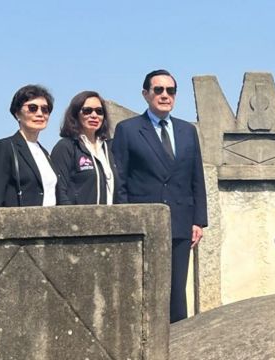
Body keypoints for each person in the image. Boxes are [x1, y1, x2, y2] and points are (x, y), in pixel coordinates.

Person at [112, 69, 207, 323]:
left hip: (180, 222)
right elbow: (120, 179)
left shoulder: (187, 131)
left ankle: (179, 343)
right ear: (146, 94)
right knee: (148, 288)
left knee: (177, 291)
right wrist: (126, 220)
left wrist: (198, 220)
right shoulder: (128, 130)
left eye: (171, 90)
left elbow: (196, 176)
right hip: (145, 222)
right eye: (159, 90)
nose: (165, 95)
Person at [0, 85, 58, 207]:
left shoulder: (44, 153)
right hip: (18, 224)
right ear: (17, 113)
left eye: (45, 109)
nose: (40, 114)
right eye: (32, 108)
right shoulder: (4, 147)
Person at [51, 91, 117, 205]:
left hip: (110, 219)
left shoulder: (110, 148)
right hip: (79, 220)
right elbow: (59, 191)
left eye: (99, 111)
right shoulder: (66, 146)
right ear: (75, 114)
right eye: (87, 111)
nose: (94, 115)